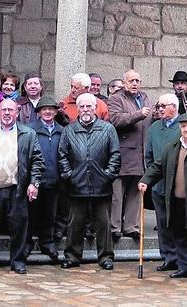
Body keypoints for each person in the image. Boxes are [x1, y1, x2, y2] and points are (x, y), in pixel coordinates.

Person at [0, 98, 45, 274]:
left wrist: (34, 183)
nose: (7, 113)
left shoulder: (28, 133)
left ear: (17, 113)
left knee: (19, 228)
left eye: (11, 110)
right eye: (3, 110)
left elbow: (37, 160)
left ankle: (18, 261)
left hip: (16, 189)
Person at [58, 93, 120, 270]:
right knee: (75, 223)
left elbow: (115, 154)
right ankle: (72, 256)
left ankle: (106, 257)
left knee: (104, 224)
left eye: (89, 107)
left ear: (95, 108)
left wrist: (108, 175)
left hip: (101, 185)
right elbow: (62, 155)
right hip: (76, 185)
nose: (86, 110)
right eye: (82, 107)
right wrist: (69, 175)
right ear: (77, 109)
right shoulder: (69, 130)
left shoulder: (107, 129)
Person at [139, 112, 187, 284]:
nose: (186, 129)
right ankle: (185, 268)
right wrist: (145, 180)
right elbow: (158, 166)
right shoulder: (173, 146)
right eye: (183, 126)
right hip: (176, 199)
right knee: (180, 235)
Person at [108, 69, 153, 240]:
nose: (135, 84)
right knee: (117, 195)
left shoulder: (145, 97)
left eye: (137, 81)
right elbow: (115, 120)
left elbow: (148, 121)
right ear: (124, 82)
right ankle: (114, 228)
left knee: (136, 194)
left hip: (140, 155)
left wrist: (153, 115)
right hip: (123, 154)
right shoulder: (116, 98)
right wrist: (138, 114)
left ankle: (131, 227)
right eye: (131, 81)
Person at [144, 93, 180, 272]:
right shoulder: (154, 128)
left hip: (179, 184)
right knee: (163, 222)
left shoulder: (184, 126)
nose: (159, 110)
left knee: (179, 223)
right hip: (159, 183)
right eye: (158, 107)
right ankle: (168, 257)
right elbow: (148, 156)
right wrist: (153, 178)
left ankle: (182, 259)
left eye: (162, 106)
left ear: (173, 106)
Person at [26, 96, 63, 261]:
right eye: (43, 109)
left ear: (55, 112)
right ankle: (27, 243)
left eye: (51, 109)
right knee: (30, 213)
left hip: (54, 178)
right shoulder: (30, 130)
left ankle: (47, 242)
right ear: (39, 112)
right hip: (34, 180)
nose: (47, 112)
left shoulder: (62, 131)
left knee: (50, 214)